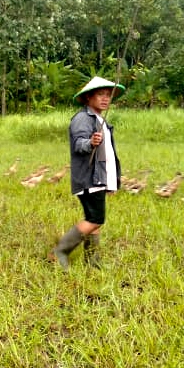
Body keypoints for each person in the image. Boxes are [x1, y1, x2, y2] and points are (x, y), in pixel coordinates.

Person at [50, 76, 123, 269]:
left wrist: (112, 181)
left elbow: (107, 154)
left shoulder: (101, 120)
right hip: (89, 178)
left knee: (95, 221)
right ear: (89, 97)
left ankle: (92, 261)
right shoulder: (83, 118)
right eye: (100, 94)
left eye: (108, 95)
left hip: (98, 178)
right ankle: (61, 251)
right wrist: (90, 142)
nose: (105, 98)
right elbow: (79, 144)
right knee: (95, 219)